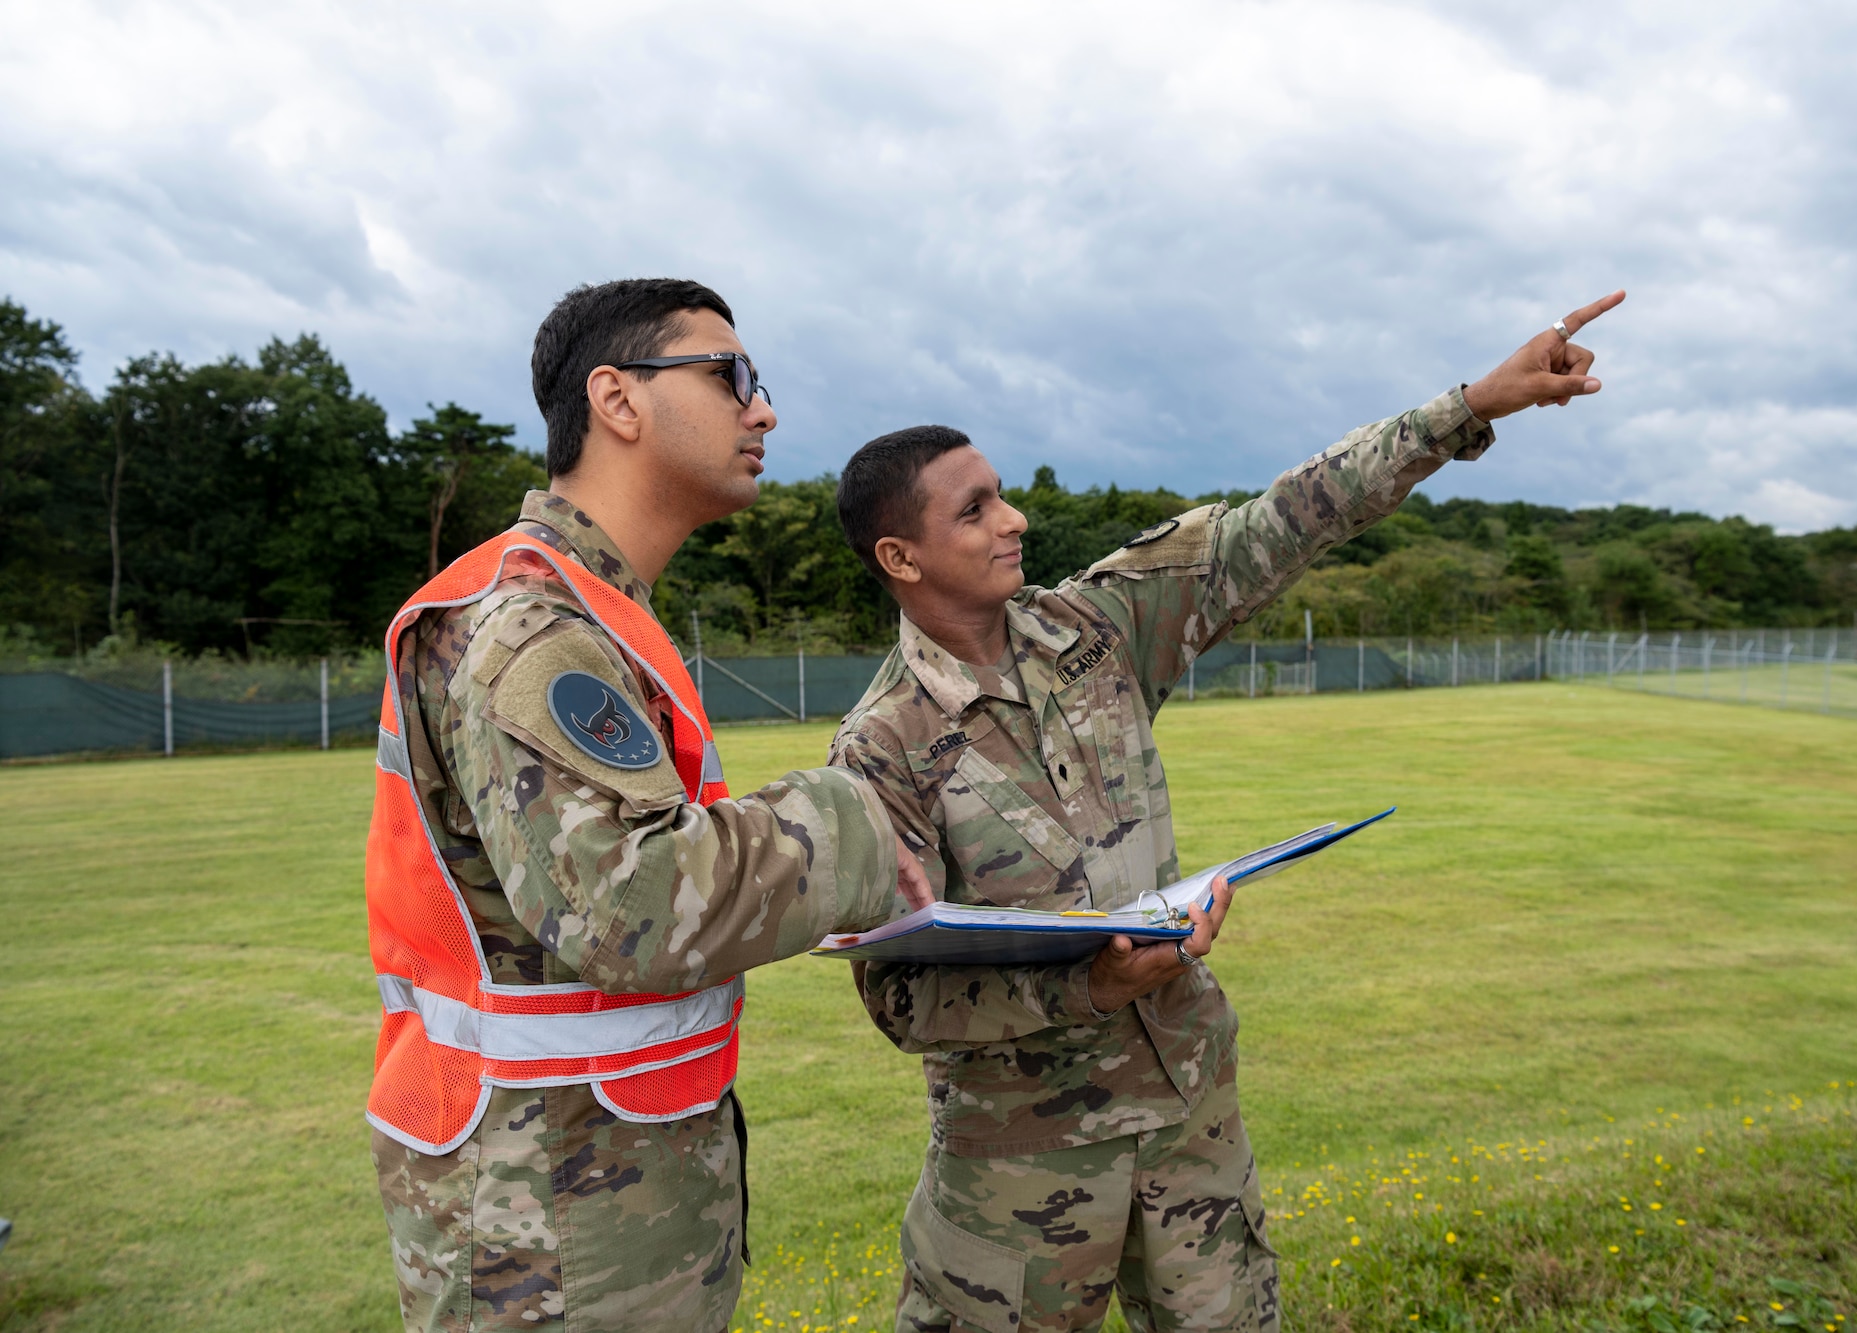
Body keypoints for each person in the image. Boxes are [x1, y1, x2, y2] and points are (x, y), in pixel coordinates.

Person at [829, 293, 1625, 1332]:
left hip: (1189, 1120)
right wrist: (1092, 987)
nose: (1013, 518)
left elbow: (1284, 519)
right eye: (973, 509)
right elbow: (896, 998)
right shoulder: (878, 746)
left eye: (1002, 496)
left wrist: (1473, 403)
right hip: (1021, 1173)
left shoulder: (1099, 628)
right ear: (900, 556)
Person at [365, 277, 931, 1333]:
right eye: (731, 377)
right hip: (548, 1221)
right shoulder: (533, 629)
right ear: (617, 401)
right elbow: (637, 903)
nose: (761, 411)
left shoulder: (592, 611)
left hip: (598, 1184)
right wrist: (854, 821)